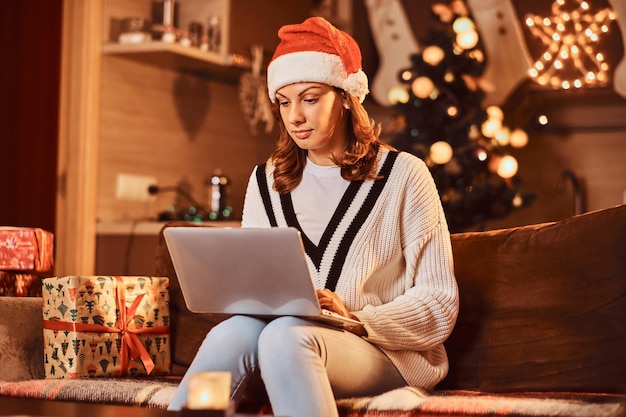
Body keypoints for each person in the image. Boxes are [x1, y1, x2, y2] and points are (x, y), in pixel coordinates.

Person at [168, 16, 459, 417]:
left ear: (344, 96)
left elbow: (440, 305)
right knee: (231, 333)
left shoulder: (405, 175)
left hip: (382, 352)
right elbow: (256, 288)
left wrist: (356, 318)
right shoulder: (265, 182)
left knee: (288, 337)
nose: (295, 117)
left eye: (309, 98)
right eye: (284, 102)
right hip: (284, 338)